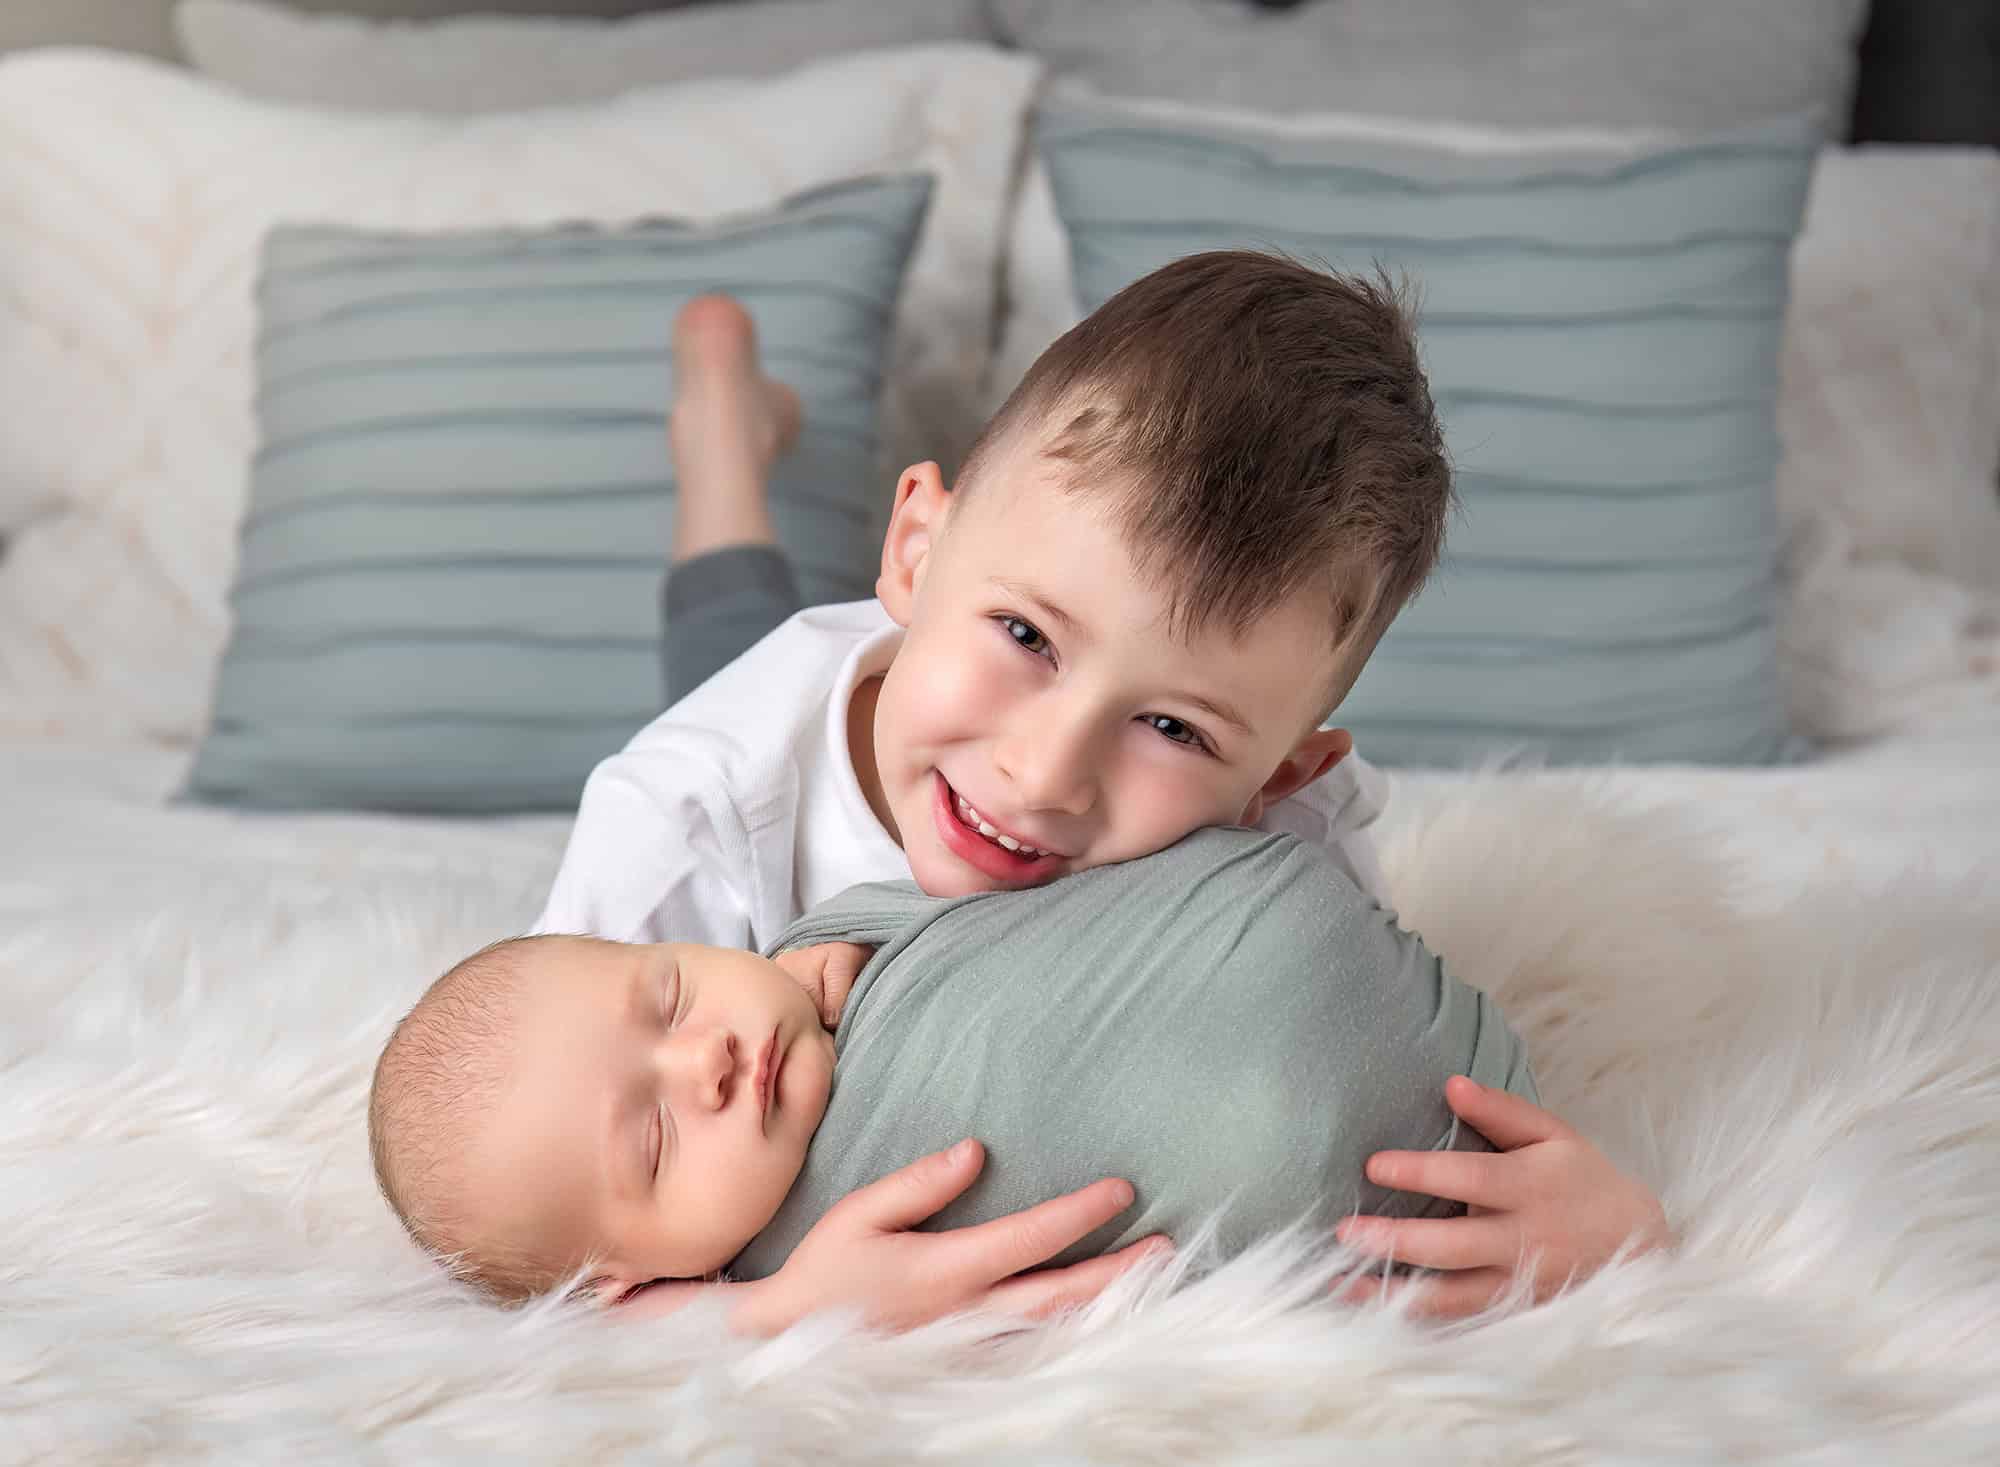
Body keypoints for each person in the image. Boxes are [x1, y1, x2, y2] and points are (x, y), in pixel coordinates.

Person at [522, 256, 1668, 1326]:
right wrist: (771, 1313)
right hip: (783, 709)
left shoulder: (1287, 833)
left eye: (1170, 728)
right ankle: (721, 441)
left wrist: (1618, 1231)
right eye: (1025, 635)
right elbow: (526, 1223)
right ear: (914, 551)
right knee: (726, 629)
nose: (1042, 775)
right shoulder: (688, 816)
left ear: (1279, 777)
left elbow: (1355, 1081)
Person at [370, 827, 1549, 1328]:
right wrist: (770, 1312)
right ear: (625, 1278)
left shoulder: (828, 945)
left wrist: (829, 949)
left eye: (669, 995)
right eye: (656, 1140)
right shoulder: (786, 1283)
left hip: (1317, 932)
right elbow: (609, 1336)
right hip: (1459, 1179)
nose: (706, 1058)